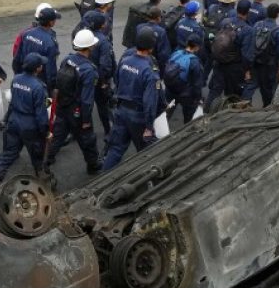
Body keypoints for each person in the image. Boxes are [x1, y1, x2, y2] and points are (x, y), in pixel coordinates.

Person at [102, 28, 164, 170]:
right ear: (151, 47)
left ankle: (99, 182)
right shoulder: (150, 72)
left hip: (121, 110)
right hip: (138, 117)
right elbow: (150, 103)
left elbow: (117, 81)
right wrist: (149, 127)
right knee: (145, 152)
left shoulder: (125, 61)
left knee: (116, 149)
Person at [44, 29, 102, 176]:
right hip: (77, 111)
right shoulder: (89, 70)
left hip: (62, 106)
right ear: (90, 47)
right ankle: (93, 166)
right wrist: (86, 120)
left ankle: (44, 162)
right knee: (87, 140)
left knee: (57, 136)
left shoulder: (67, 60)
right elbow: (87, 99)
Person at [0, 53, 50, 186]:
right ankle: (43, 180)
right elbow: (41, 114)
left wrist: (7, 118)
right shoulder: (39, 87)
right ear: (38, 69)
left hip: (14, 121)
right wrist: (45, 132)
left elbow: (13, 101)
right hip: (30, 126)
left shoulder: (16, 79)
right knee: (37, 155)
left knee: (9, 154)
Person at [73, 10, 115, 133]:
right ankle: (108, 130)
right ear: (102, 25)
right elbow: (105, 64)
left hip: (82, 75)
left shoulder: (83, 35)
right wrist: (104, 81)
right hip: (98, 79)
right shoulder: (103, 41)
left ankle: (78, 129)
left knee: (82, 102)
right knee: (103, 106)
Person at [242, 3, 279, 107]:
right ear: (277, 14)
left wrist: (247, 66)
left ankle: (242, 105)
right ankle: (266, 109)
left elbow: (251, 43)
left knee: (251, 85)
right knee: (268, 89)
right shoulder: (278, 31)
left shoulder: (257, 25)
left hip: (255, 61)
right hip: (269, 66)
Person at [207, 0, 251, 106]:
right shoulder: (247, 30)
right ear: (248, 12)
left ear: (237, 10)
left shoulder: (225, 21)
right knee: (232, 95)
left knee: (215, 91)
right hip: (234, 67)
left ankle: (206, 114)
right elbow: (246, 54)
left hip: (219, 61)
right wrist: (247, 70)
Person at [12, 5, 60, 94]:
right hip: (41, 83)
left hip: (24, 77)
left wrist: (18, 76)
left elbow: (17, 58)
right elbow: (50, 70)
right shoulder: (50, 42)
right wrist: (52, 88)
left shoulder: (26, 34)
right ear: (51, 22)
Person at [164, 37, 205, 124]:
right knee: (188, 118)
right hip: (186, 95)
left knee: (165, 114)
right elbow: (197, 85)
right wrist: (198, 99)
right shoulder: (195, 62)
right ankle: (185, 132)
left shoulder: (176, 53)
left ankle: (159, 132)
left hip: (170, 90)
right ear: (196, 47)